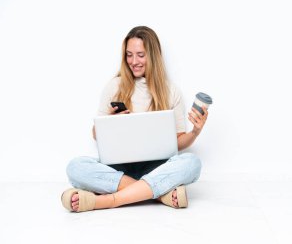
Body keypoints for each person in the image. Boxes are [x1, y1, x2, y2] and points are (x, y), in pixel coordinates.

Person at [61, 26, 209, 212]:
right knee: (75, 167)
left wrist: (195, 131)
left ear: (153, 56)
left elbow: (179, 141)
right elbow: (96, 134)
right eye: (129, 55)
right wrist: (109, 122)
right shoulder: (114, 86)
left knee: (192, 163)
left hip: (158, 168)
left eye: (140, 55)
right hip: (120, 169)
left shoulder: (171, 91)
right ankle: (159, 194)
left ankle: (108, 200)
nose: (133, 61)